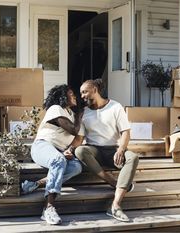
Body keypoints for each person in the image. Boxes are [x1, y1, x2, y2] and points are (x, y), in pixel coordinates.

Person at [70, 79, 139, 222]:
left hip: (112, 150)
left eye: (85, 92)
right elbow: (80, 139)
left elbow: (126, 132)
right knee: (80, 151)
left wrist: (121, 150)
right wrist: (69, 149)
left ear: (95, 90)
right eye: (81, 93)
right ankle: (112, 182)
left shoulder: (115, 106)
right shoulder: (85, 113)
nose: (82, 96)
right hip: (94, 151)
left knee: (133, 157)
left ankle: (115, 205)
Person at [21, 84, 83, 225]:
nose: (74, 96)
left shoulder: (72, 115)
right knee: (58, 160)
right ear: (62, 97)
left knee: (76, 167)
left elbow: (79, 139)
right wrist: (80, 115)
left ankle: (37, 183)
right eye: (71, 93)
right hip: (42, 146)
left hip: (60, 151)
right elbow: (73, 130)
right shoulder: (56, 109)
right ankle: (48, 207)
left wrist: (70, 150)